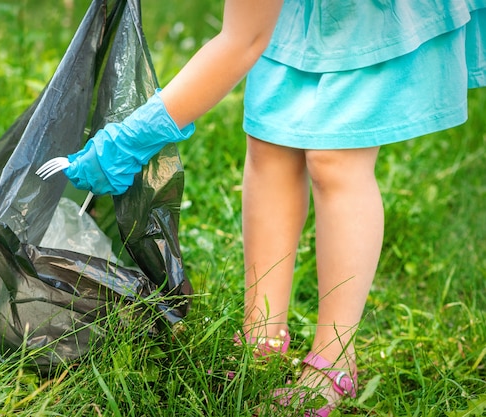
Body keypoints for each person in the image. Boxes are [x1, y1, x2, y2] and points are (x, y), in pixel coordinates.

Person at [44, 1, 486, 415]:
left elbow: (240, 44)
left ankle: (334, 360)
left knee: (335, 159)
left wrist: (131, 139)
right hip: (297, 14)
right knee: (271, 143)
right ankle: (262, 335)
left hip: (365, 17)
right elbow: (248, 32)